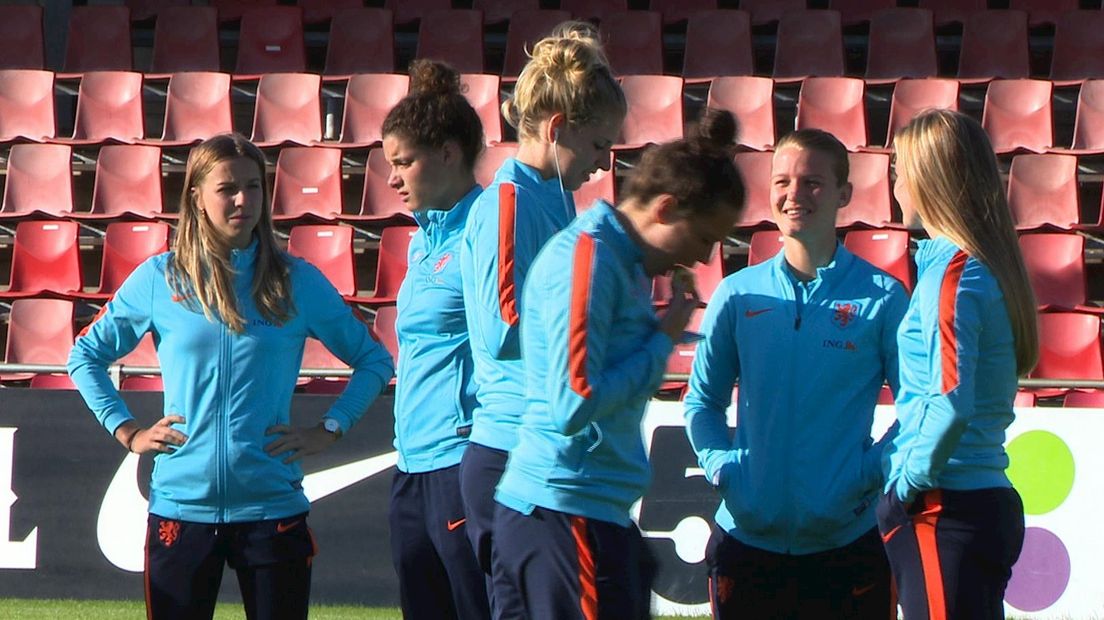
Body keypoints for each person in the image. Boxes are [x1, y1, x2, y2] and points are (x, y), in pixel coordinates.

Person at [67, 134, 394, 619]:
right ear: (196, 197)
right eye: (227, 188)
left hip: (273, 512)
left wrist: (330, 428)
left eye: (254, 186)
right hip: (180, 510)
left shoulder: (294, 280)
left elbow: (375, 360)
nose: (244, 199)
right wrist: (128, 430)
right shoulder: (161, 278)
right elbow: (85, 356)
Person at [491, 109, 746, 619]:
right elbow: (573, 402)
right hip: (565, 511)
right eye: (702, 238)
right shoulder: (591, 257)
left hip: (569, 513)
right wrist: (661, 344)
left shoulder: (617, 261)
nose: (702, 258)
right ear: (667, 208)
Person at [684, 128, 909, 619]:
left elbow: (916, 409)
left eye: (813, 182)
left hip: (846, 545)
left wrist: (868, 472)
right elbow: (701, 402)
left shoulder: (884, 297)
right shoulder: (738, 295)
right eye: (782, 181)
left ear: (844, 194)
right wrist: (724, 467)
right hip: (746, 542)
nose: (794, 195)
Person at [458, 20, 626, 616]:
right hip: (512, 452)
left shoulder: (553, 202)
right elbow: (504, 327)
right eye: (598, 146)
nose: (604, 164)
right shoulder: (508, 202)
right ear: (558, 129)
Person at [882, 109, 1037, 619]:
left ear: (929, 179)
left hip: (945, 507)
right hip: (974, 501)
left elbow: (949, 404)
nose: (896, 184)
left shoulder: (954, 275)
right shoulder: (973, 268)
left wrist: (904, 486)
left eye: (901, 170)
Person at [380, 59, 491, 619]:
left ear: (449, 152)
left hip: (462, 460)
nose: (393, 178)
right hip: (411, 463)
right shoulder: (422, 241)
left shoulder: (487, 230)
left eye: (403, 163)